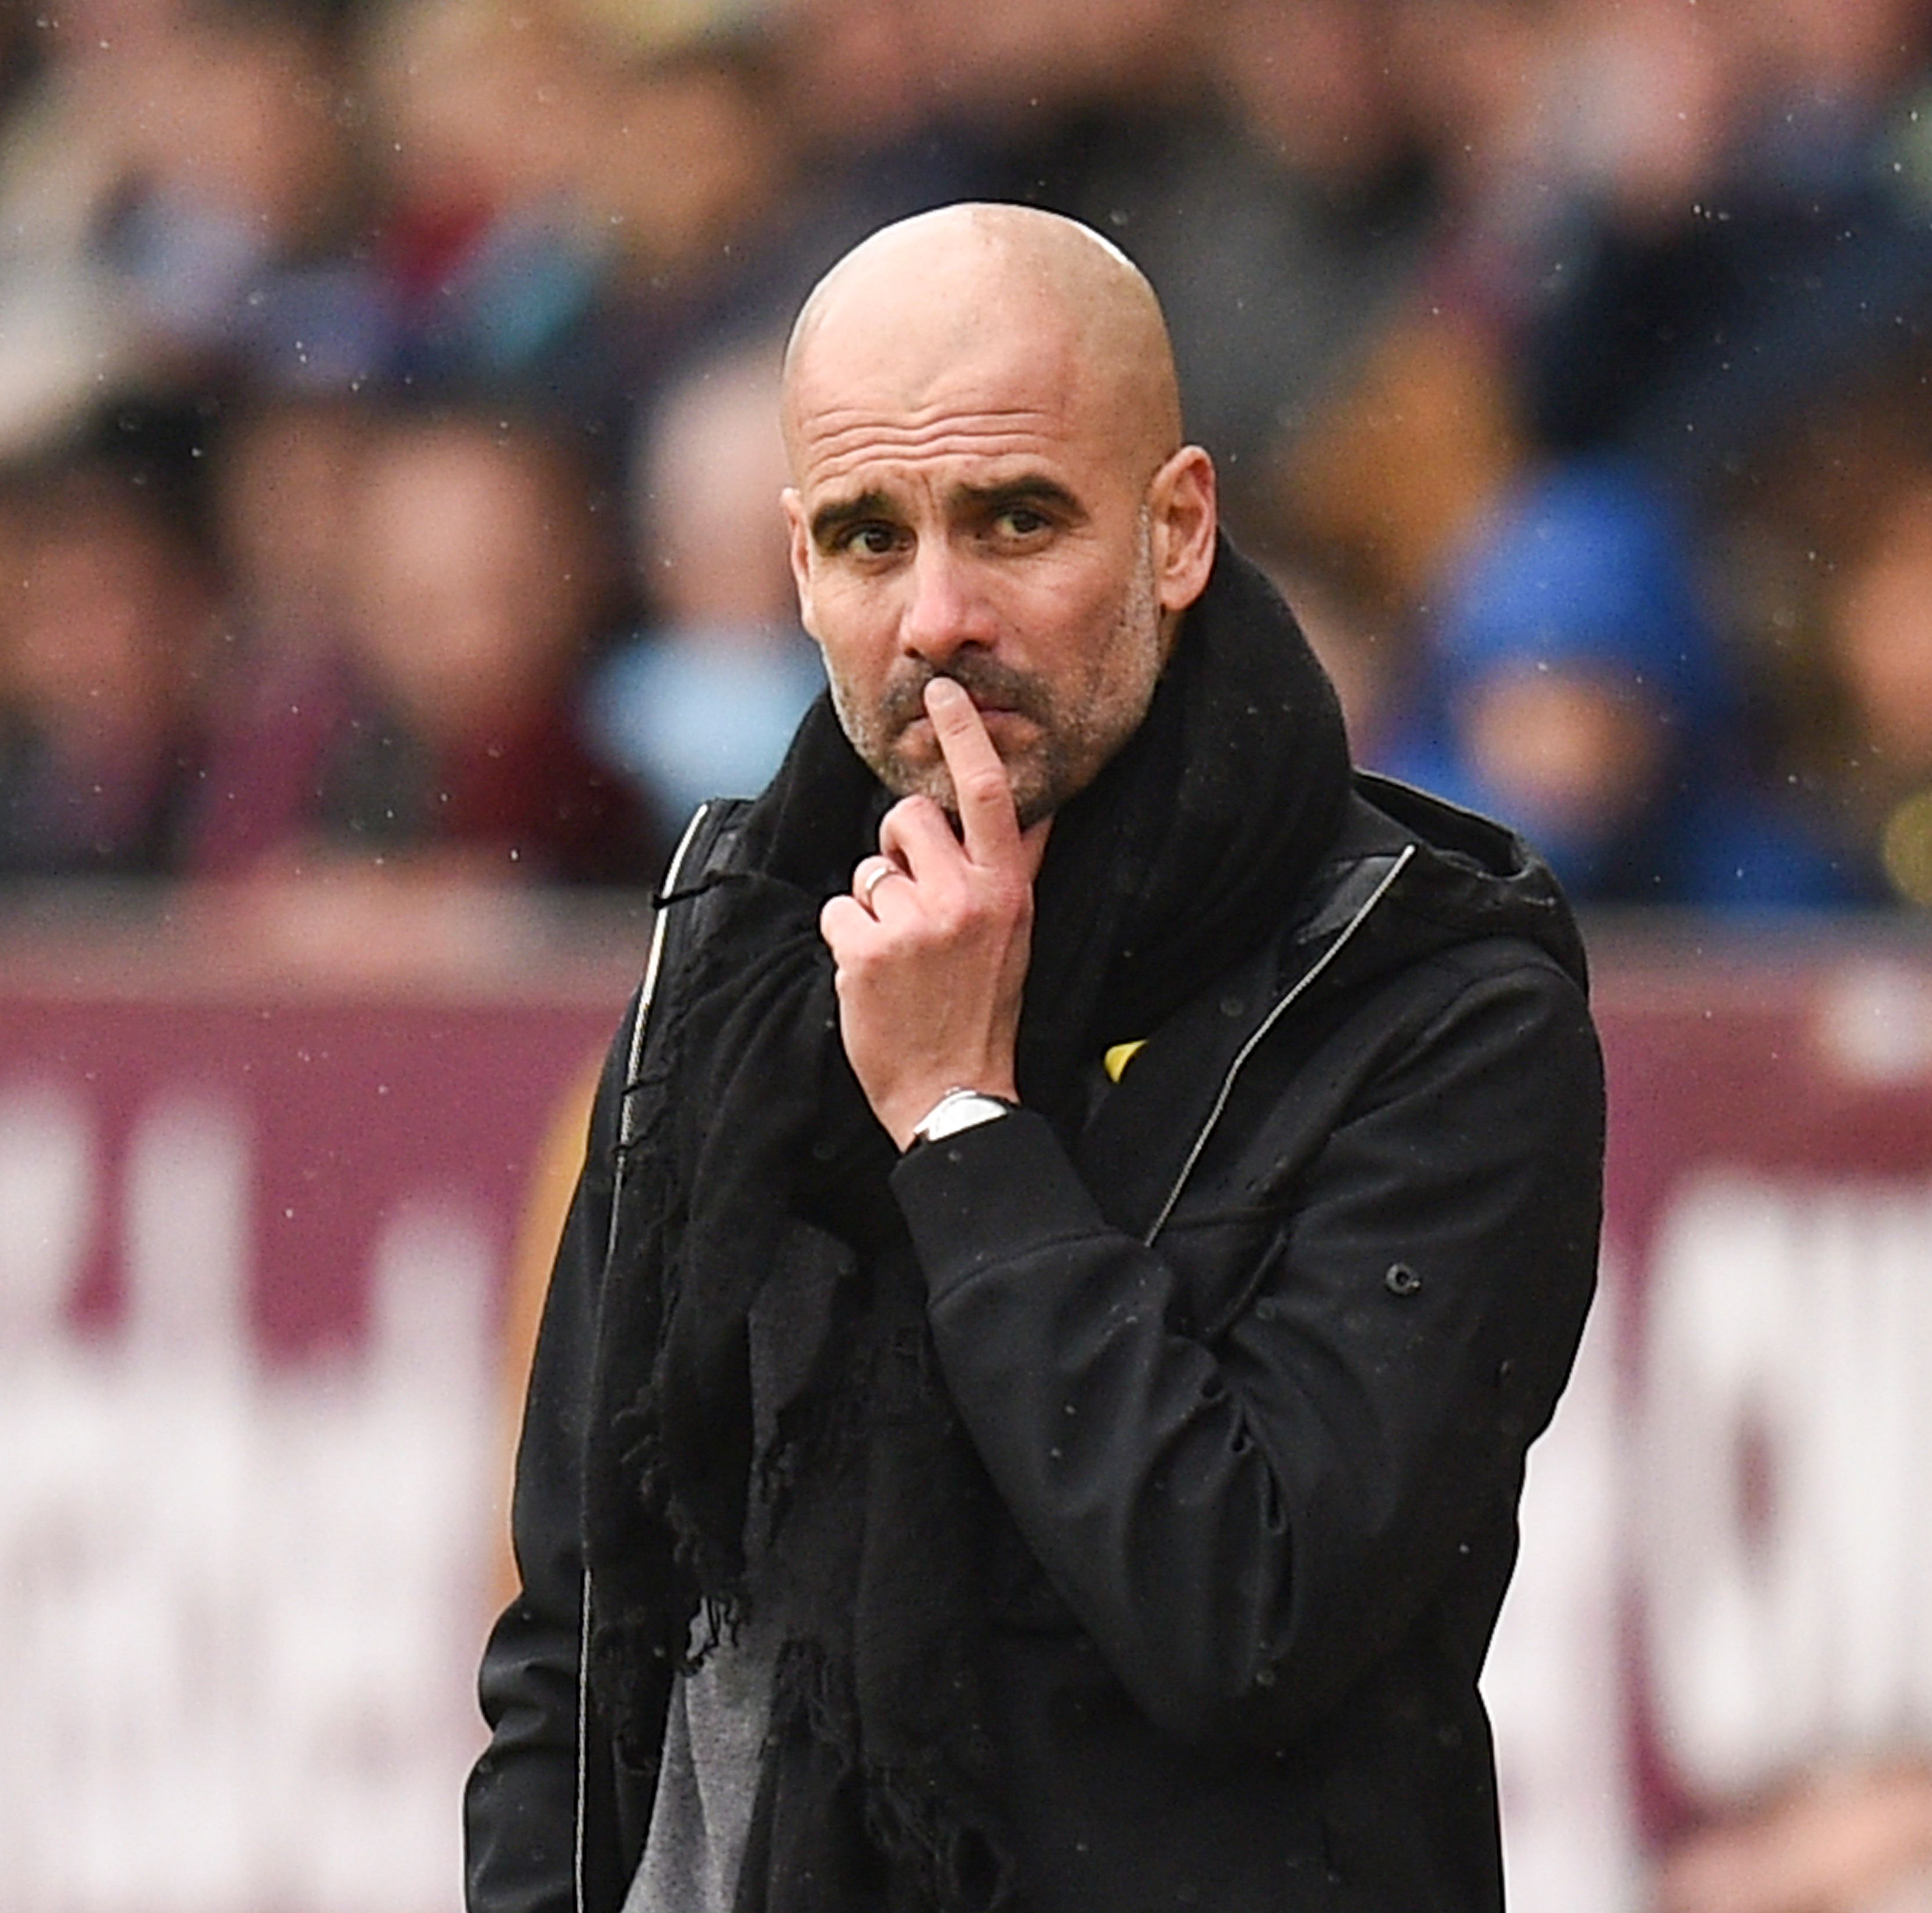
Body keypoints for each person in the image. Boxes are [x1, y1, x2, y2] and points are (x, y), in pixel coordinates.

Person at [463, 202, 1608, 1913]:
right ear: (798, 568)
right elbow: (581, 1637)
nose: (938, 614)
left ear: (1177, 529)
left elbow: (1248, 1620)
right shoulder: (732, 949)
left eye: (1014, 519)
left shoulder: (1438, 1003)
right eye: (867, 536)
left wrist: (963, 1122)